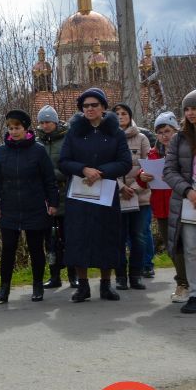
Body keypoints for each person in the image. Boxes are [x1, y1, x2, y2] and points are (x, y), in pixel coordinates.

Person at [58, 87, 133, 302]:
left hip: (106, 194)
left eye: (94, 105)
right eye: (86, 106)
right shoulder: (74, 132)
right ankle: (82, 286)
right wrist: (83, 169)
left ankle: (106, 285)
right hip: (79, 195)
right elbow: (63, 162)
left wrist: (101, 172)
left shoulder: (115, 132)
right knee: (79, 238)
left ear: (103, 108)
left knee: (106, 238)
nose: (90, 109)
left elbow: (125, 163)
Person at [0, 109, 59, 302]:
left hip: (35, 207)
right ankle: (4, 288)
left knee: (36, 248)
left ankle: (37, 285)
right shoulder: (2, 152)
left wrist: (53, 203)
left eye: (17, 127)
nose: (13, 131)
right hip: (9, 209)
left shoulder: (38, 150)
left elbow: (49, 179)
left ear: (25, 128)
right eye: (10, 128)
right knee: (8, 249)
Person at [145, 111, 188, 302]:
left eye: (168, 131)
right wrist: (143, 177)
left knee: (189, 246)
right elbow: (144, 178)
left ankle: (187, 283)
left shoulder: (184, 150)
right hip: (162, 207)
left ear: (176, 131)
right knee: (173, 248)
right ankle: (182, 283)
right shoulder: (152, 154)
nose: (164, 135)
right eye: (160, 131)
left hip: (182, 205)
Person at [162, 90, 196, 315]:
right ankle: (194, 294)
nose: (191, 113)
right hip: (188, 202)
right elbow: (169, 171)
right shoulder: (179, 138)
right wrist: (188, 191)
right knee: (192, 250)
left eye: (194, 108)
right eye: (187, 109)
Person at [36, 105, 75, 289]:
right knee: (50, 240)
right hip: (45, 198)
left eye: (48, 121)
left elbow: (71, 165)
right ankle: (54, 275)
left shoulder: (68, 140)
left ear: (55, 121)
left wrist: (52, 174)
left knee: (69, 237)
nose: (45, 125)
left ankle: (73, 275)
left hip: (66, 194)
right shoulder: (37, 143)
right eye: (42, 122)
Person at [113, 103, 150, 291]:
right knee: (118, 238)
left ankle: (136, 275)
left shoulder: (142, 138)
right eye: (117, 114)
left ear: (130, 116)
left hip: (140, 196)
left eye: (124, 113)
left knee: (139, 236)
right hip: (117, 196)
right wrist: (121, 187)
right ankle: (120, 276)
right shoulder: (108, 139)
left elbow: (148, 166)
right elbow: (106, 167)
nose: (120, 116)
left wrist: (134, 188)